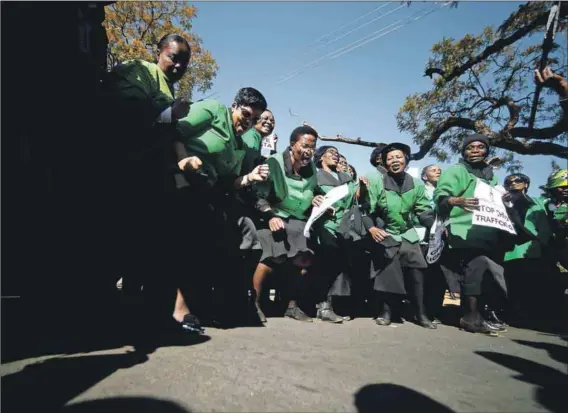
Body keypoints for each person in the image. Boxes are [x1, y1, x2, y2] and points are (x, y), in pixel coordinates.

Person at [102, 34, 193, 332]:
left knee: (147, 244)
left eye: (184, 62)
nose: (178, 65)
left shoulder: (169, 89)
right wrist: (168, 114)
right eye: (173, 57)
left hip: (156, 177)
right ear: (159, 52)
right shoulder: (139, 71)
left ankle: (138, 312)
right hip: (125, 169)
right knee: (122, 239)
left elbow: (171, 138)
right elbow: (124, 112)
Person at [172, 87, 269, 328]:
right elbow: (174, 130)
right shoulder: (214, 109)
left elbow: (229, 181)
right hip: (178, 173)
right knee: (201, 222)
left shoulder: (240, 145)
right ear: (234, 106)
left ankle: (216, 303)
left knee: (241, 232)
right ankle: (179, 309)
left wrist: (250, 177)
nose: (249, 123)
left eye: (255, 120)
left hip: (208, 190)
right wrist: (183, 159)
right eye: (246, 115)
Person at [434, 134, 534, 335]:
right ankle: (470, 317)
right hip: (465, 232)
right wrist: (456, 201)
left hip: (489, 233)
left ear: (487, 151)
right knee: (475, 271)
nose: (476, 150)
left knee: (486, 276)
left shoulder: (491, 177)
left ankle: (481, 314)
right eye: (470, 147)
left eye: (480, 147)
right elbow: (441, 196)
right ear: (463, 152)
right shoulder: (457, 171)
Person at [252, 125, 325, 323]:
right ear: (293, 145)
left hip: (299, 222)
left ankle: (291, 306)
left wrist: (318, 198)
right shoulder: (274, 163)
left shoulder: (311, 169)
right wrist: (270, 216)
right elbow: (258, 197)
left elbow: (316, 190)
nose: (309, 151)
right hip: (273, 218)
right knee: (271, 254)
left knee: (303, 259)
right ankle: (254, 305)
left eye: (313, 147)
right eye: (305, 145)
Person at [366, 143, 437, 329]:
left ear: (406, 159)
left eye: (398, 157)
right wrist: (372, 229)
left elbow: (423, 210)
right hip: (386, 232)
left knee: (417, 270)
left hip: (408, 233)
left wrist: (436, 226)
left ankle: (421, 314)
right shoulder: (377, 180)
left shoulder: (417, 184)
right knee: (389, 269)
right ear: (385, 163)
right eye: (390, 158)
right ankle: (386, 311)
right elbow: (366, 209)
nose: (394, 161)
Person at [310, 146, 363, 323]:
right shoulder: (315, 176)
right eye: (331, 153)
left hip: (344, 226)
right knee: (326, 265)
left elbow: (357, 198)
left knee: (338, 268)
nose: (336, 155)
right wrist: (314, 200)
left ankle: (331, 306)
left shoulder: (345, 178)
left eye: (337, 153)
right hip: (325, 226)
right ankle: (322, 306)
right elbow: (309, 195)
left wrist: (362, 186)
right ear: (320, 159)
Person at [502, 173, 553, 326]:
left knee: (534, 285)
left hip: (538, 249)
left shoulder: (540, 202)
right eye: (508, 182)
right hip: (513, 250)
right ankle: (514, 317)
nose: (512, 184)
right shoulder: (504, 202)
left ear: (526, 184)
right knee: (515, 284)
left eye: (517, 181)